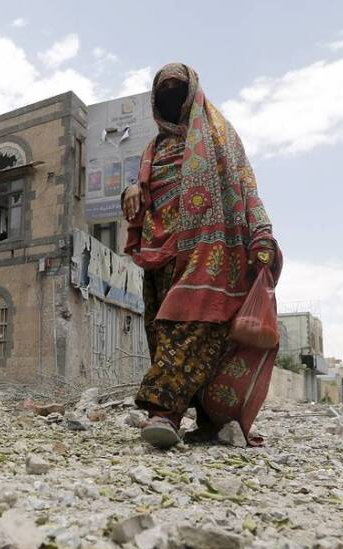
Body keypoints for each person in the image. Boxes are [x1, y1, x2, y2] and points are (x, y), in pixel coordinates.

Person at [122, 63, 279, 449]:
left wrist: (262, 231)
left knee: (190, 325)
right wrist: (132, 189)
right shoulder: (152, 148)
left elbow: (245, 184)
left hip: (211, 249)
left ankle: (164, 412)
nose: (170, 95)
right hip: (160, 251)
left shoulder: (218, 134)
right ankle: (212, 422)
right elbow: (145, 188)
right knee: (165, 333)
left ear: (192, 91)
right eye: (163, 90)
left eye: (178, 87)